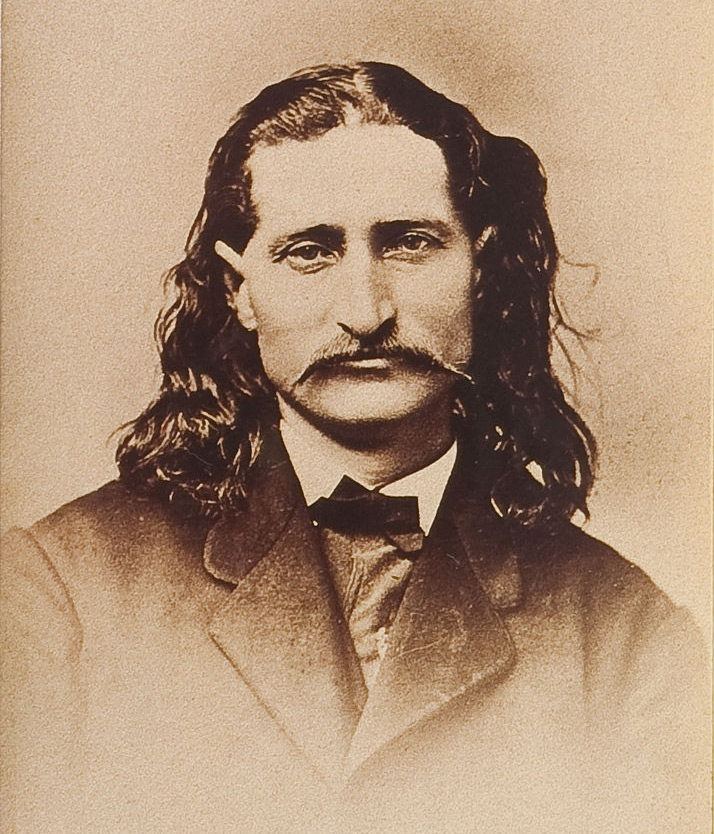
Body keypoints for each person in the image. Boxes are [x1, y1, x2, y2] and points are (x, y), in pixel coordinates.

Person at [1, 62, 709, 833]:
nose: (366, 313)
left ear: (480, 267)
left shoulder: (628, 637)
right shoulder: (60, 590)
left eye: (409, 244)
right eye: (309, 251)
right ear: (240, 289)